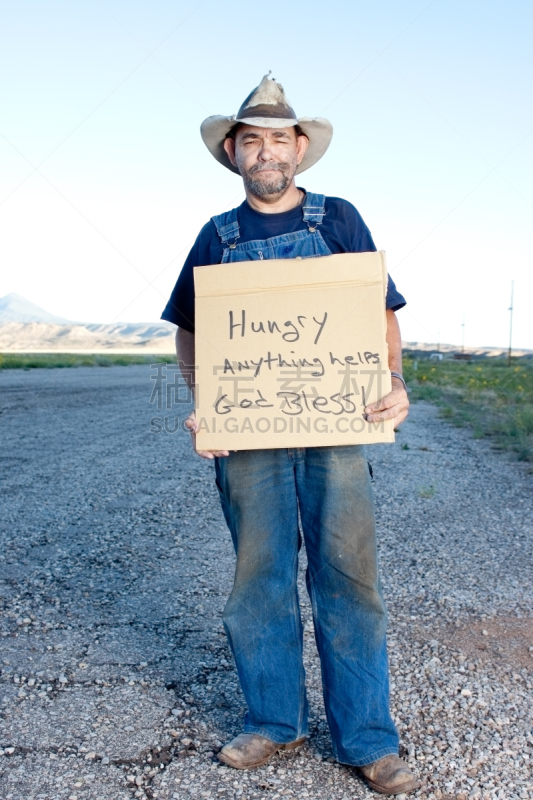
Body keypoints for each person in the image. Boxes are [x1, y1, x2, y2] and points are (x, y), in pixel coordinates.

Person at [162, 73, 419, 796]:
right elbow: (191, 331)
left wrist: (394, 383)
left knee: (347, 578)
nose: (265, 150)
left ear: (299, 149)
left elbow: (379, 312)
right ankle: (274, 722)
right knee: (258, 580)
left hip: (337, 431)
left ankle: (368, 739)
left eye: (278, 138)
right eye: (251, 139)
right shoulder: (217, 237)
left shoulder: (339, 219)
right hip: (249, 440)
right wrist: (204, 404)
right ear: (233, 153)